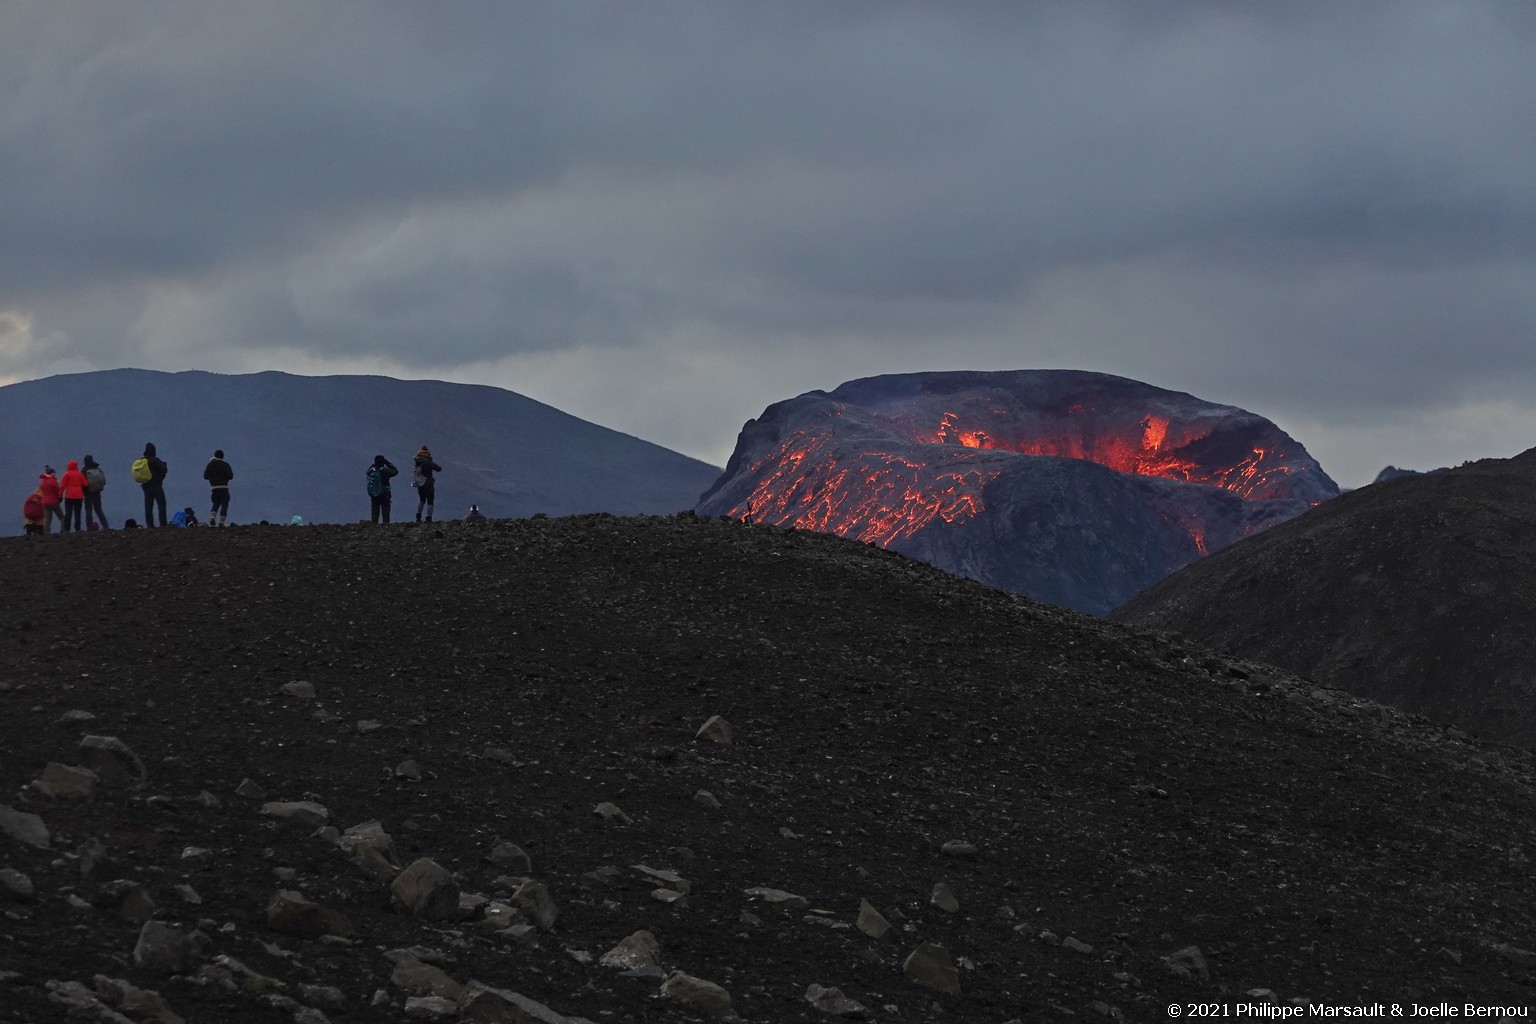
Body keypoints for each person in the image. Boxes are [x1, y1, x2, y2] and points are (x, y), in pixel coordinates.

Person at [140, 443, 168, 528]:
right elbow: (164, 470)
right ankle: (163, 524)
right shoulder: (155, 460)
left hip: (145, 486)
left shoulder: (142, 461)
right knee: (161, 503)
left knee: (148, 506)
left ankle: (149, 524)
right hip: (156, 485)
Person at [203, 449, 234, 527]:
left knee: (216, 503)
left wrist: (213, 478)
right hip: (224, 487)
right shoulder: (225, 465)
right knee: (224, 503)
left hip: (214, 487)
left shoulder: (210, 465)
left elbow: (205, 476)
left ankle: (212, 517)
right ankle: (221, 522)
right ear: (223, 457)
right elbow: (231, 476)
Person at [412, 445, 441, 523]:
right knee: (430, 501)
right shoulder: (428, 463)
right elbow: (439, 469)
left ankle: (418, 517)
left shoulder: (417, 463)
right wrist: (431, 461)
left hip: (420, 485)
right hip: (428, 484)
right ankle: (429, 518)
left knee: (422, 500)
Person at [367, 455, 399, 524]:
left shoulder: (371, 471)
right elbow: (395, 471)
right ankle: (385, 527)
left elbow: (367, 472)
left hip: (374, 494)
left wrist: (374, 465)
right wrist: (388, 463)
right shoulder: (384, 470)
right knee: (385, 512)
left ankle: (373, 526)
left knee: (375, 513)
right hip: (384, 494)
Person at [59, 460, 89, 533]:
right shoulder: (80, 474)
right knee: (77, 513)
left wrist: (60, 496)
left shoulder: (66, 474)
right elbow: (86, 484)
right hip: (79, 496)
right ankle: (77, 528)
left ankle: (67, 529)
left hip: (69, 496)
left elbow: (62, 486)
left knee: (68, 513)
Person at [82, 455, 108, 530]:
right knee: (99, 510)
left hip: (88, 493)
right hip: (97, 492)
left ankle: (89, 528)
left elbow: (82, 483)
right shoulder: (97, 469)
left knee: (88, 511)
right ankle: (106, 526)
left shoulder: (84, 471)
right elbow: (104, 481)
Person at [36, 467, 63, 534]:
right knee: (61, 517)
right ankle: (63, 530)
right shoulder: (53, 481)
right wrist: (59, 498)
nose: (55, 474)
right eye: (54, 472)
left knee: (48, 519)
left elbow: (41, 490)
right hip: (53, 501)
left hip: (45, 502)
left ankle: (46, 532)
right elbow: (58, 491)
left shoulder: (43, 481)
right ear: (51, 473)